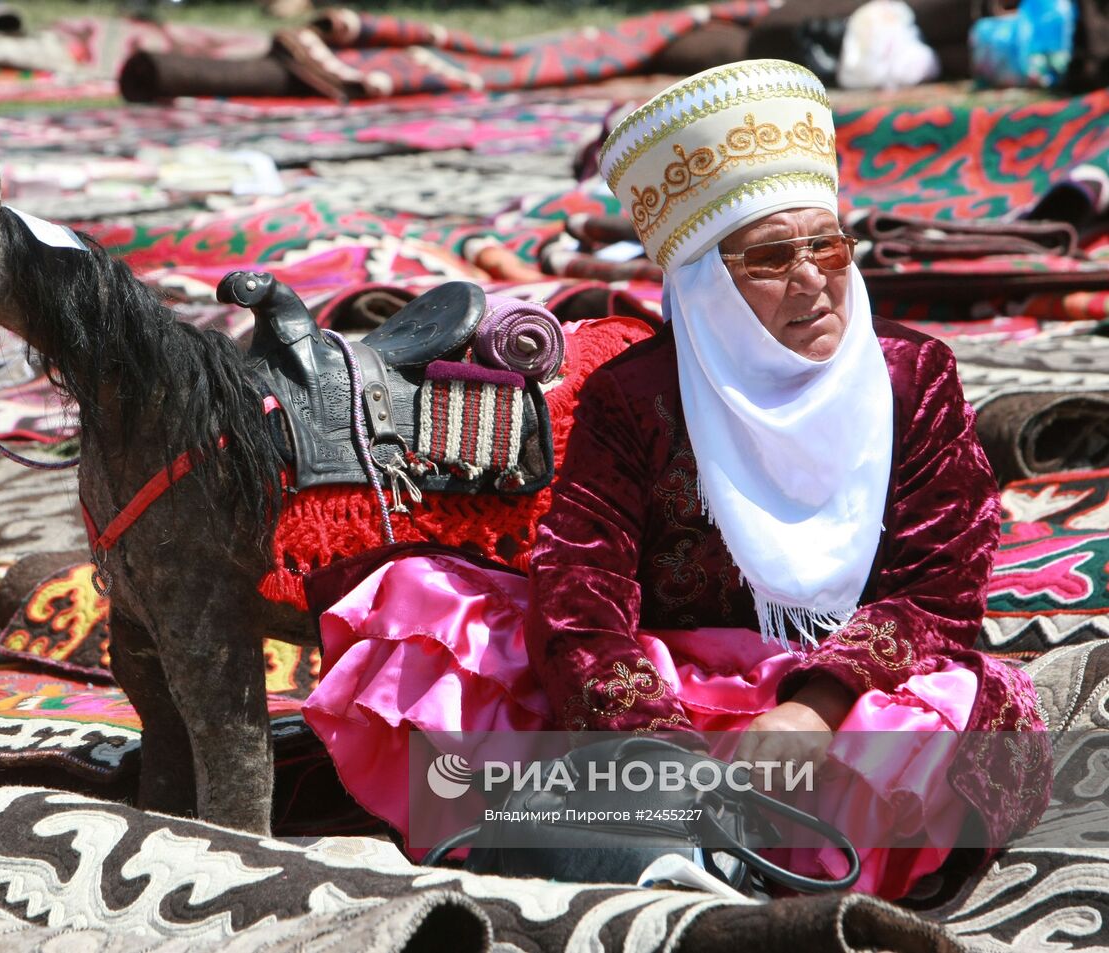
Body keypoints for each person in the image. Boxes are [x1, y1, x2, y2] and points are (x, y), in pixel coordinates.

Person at [302, 59, 1049, 900]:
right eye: (771, 257)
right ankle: (674, 845)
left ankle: (657, 848)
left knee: (956, 726)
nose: (812, 278)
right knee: (423, 621)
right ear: (706, 285)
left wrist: (814, 708)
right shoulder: (636, 397)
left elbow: (937, 588)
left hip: (846, 695)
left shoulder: (915, 375)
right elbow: (581, 595)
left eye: (828, 245)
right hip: (670, 689)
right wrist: (658, 755)